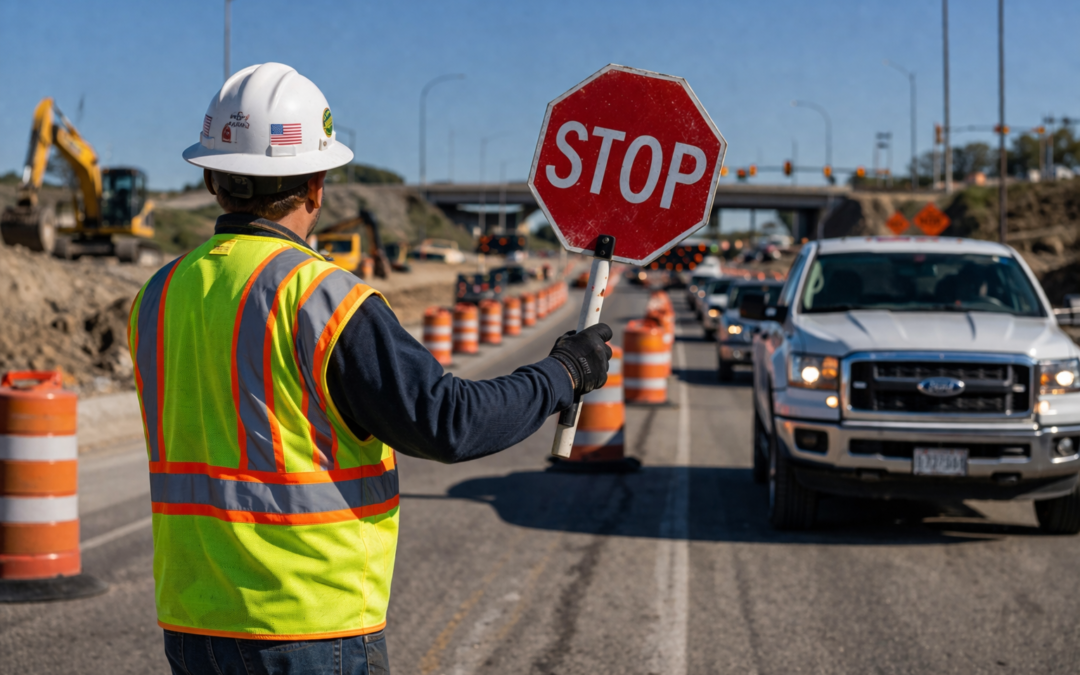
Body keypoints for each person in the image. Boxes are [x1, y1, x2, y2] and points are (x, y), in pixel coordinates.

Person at [128, 62, 611, 675]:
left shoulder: (158, 295)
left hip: (194, 624)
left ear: (214, 181)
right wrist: (563, 374)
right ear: (315, 185)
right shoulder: (320, 296)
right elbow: (447, 422)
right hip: (308, 626)